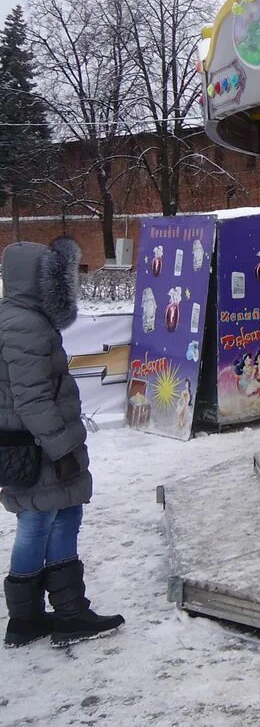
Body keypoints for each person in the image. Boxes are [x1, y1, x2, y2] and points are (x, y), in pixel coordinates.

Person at [1, 238, 124, 648]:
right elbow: (31, 398)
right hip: (39, 448)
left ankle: (48, 616)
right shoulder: (26, 326)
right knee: (38, 522)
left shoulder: (19, 318)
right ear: (36, 282)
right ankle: (45, 617)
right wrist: (63, 450)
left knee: (58, 518)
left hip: (35, 444)